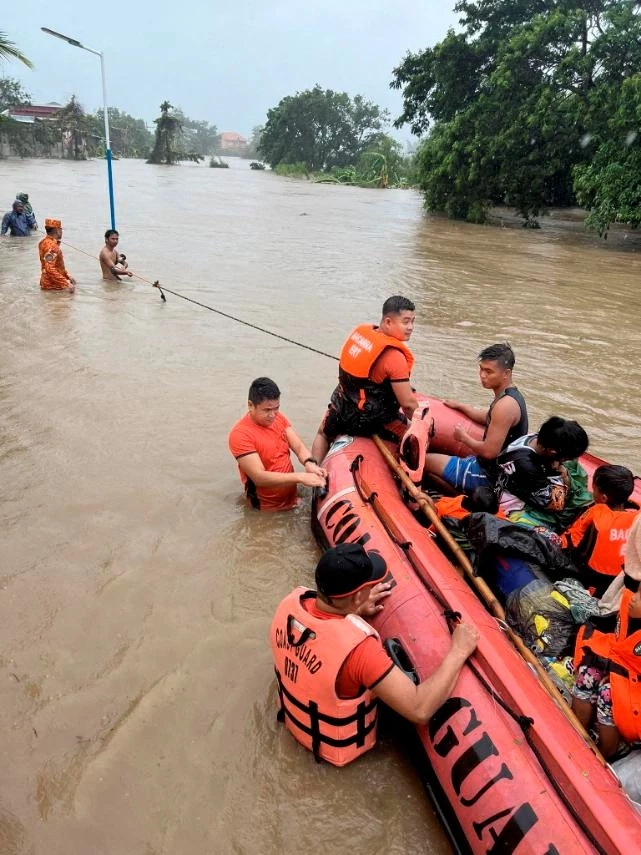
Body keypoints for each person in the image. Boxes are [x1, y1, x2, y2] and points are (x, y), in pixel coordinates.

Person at [270, 542, 479, 765]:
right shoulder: (361, 652)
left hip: (296, 726)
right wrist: (458, 651)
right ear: (359, 595)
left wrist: (354, 610)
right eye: (369, 585)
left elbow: (323, 633)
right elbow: (419, 709)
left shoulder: (291, 605)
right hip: (335, 756)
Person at [311, 296, 418, 462]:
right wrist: (422, 424)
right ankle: (409, 479)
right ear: (388, 322)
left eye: (413, 321)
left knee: (322, 433)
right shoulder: (395, 357)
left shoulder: (362, 334)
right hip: (369, 419)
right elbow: (408, 405)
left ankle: (313, 473)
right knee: (414, 438)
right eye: (406, 322)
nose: (411, 327)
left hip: (342, 405)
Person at [572, 514, 641, 759]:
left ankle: (605, 756)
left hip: (632, 671)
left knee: (608, 693)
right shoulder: (628, 596)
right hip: (625, 648)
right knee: (588, 674)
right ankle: (578, 739)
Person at [423, 343, 528, 494]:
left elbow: (489, 452)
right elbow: (488, 417)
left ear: (506, 373)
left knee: (424, 461)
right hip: (492, 469)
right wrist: (462, 407)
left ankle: (463, 497)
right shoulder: (511, 395)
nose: (482, 375)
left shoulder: (505, 406)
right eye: (481, 369)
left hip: (489, 475)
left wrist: (463, 438)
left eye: (489, 371)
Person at [228, 377, 327, 511]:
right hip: (266, 509)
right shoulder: (240, 435)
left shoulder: (278, 418)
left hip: (292, 498)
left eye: (276, 408)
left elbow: (298, 447)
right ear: (250, 405)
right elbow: (259, 477)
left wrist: (310, 463)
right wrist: (300, 477)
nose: (273, 415)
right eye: (267, 410)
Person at [560, 465, 639, 598]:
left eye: (594, 488)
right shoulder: (638, 516)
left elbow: (567, 542)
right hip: (626, 579)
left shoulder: (595, 513)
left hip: (595, 580)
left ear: (603, 498)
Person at [495, 416, 589, 519]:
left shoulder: (541, 438)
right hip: (511, 500)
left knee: (575, 472)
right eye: (566, 458)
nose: (567, 461)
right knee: (564, 516)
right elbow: (556, 505)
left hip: (527, 480)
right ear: (552, 453)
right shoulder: (527, 466)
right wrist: (561, 475)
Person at [38, 219, 76, 292]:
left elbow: (56, 266)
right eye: (61, 229)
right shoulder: (52, 246)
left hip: (47, 283)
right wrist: (66, 283)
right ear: (57, 230)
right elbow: (49, 268)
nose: (61, 232)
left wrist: (67, 276)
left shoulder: (43, 242)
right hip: (53, 286)